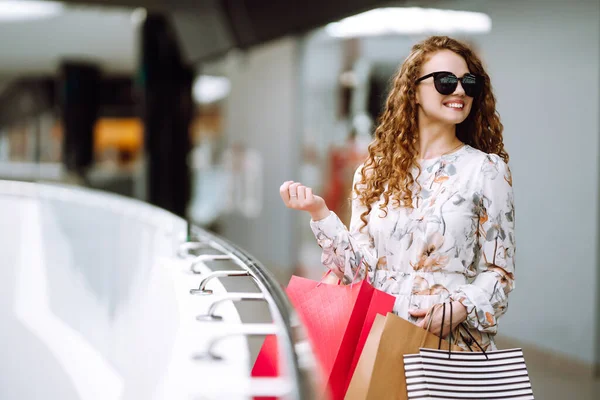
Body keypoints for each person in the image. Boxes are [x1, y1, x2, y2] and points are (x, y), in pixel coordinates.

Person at [279, 36, 515, 351]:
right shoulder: (373, 171)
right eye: (446, 81)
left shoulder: (486, 170)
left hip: (450, 345)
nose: (459, 90)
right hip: (380, 335)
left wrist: (461, 306)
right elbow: (359, 271)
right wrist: (320, 213)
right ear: (413, 90)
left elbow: (499, 271)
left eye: (468, 83)